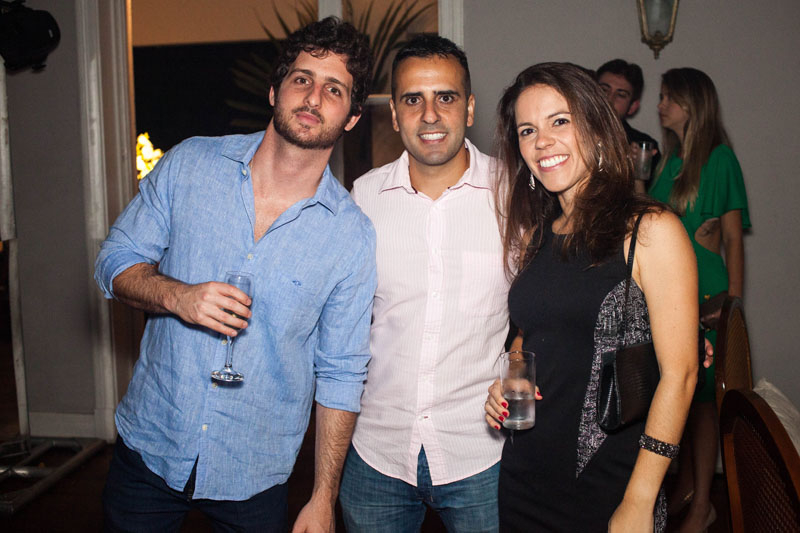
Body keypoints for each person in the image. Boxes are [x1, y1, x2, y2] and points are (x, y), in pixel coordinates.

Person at [94, 17, 377, 532]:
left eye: (334, 89)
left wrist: (323, 497)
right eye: (302, 79)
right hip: (150, 448)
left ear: (353, 117)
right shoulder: (189, 164)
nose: (314, 97)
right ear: (274, 90)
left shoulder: (351, 236)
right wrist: (177, 297)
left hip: (255, 473)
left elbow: (341, 372)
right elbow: (114, 260)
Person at [483, 62, 698, 532]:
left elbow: (680, 375)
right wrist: (508, 381)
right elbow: (531, 332)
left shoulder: (650, 230)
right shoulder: (538, 234)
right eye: (527, 130)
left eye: (559, 121)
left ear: (598, 129)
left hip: (610, 486)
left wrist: (640, 499)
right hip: (523, 478)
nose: (542, 141)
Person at [339, 35, 507, 532]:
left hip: (481, 452)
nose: (430, 114)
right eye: (413, 99)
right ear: (394, 114)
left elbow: (548, 303)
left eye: (445, 97)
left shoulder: (514, 195)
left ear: (469, 108)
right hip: (378, 451)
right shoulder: (363, 199)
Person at [648, 67, 749, 533]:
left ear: (693, 104)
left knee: (704, 403)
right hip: (670, 291)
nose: (661, 105)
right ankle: (687, 487)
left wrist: (731, 306)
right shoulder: (669, 160)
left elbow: (734, 238)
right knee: (679, 399)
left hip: (705, 293)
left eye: (669, 97)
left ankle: (704, 504)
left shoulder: (720, 158)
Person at [596, 59, 660, 193]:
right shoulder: (567, 134)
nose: (609, 99)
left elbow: (648, 201)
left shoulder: (643, 146)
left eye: (620, 95)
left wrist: (634, 170)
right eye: (604, 90)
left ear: (632, 107)